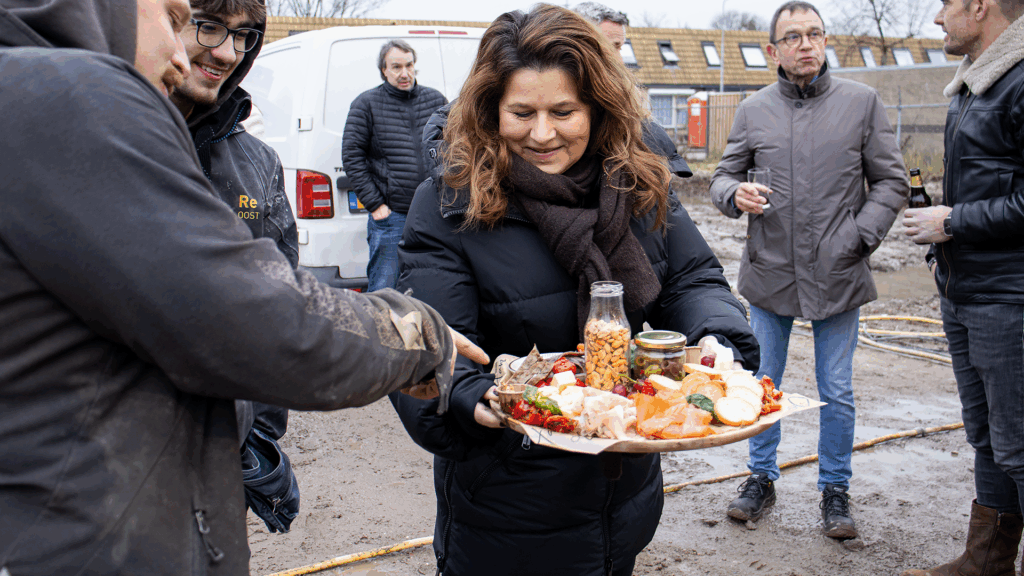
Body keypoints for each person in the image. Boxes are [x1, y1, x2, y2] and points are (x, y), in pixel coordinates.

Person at [0, 0, 487, 574]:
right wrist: (421, 335)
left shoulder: (41, 96)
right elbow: (256, 320)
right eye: (178, 18)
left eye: (245, 37)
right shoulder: (69, 93)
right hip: (73, 535)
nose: (187, 56)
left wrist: (253, 434)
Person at [390, 6, 760, 576]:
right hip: (509, 507)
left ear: (598, 107)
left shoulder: (639, 181)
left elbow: (692, 280)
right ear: (491, 113)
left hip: (624, 495)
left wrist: (715, 339)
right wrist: (472, 397)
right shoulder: (450, 204)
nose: (542, 134)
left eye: (563, 111)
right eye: (522, 113)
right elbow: (431, 343)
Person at [708, 0, 908, 539]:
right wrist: (735, 193)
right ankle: (760, 478)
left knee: (836, 389)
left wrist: (857, 238)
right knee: (762, 382)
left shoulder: (861, 103)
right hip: (769, 271)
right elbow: (720, 178)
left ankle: (835, 490)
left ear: (826, 43)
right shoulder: (753, 110)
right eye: (793, 36)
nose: (805, 44)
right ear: (773, 50)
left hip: (837, 271)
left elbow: (892, 183)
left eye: (814, 34)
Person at [167, 0, 301, 533]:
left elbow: (281, 309)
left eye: (244, 35)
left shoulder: (258, 163)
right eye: (209, 26)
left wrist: (259, 439)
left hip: (223, 460)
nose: (226, 52)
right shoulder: (111, 142)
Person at [901, 0, 1024, 574]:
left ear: (979, 5)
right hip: (964, 290)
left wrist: (952, 222)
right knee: (986, 438)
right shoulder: (977, 83)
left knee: (1020, 448)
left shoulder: (1020, 81)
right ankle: (987, 561)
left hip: (1011, 301)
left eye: (944, 5)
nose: (935, 19)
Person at [341, 39, 448, 292]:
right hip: (392, 217)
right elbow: (352, 157)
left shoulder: (435, 99)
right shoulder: (366, 104)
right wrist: (376, 205)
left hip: (433, 213)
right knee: (385, 289)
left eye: (409, 65)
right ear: (384, 70)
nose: (404, 73)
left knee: (434, 288)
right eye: (396, 67)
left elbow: (454, 146)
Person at [572, 1, 693, 178]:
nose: (620, 60)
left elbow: (665, 200)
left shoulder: (633, 116)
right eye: (611, 46)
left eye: (620, 47)